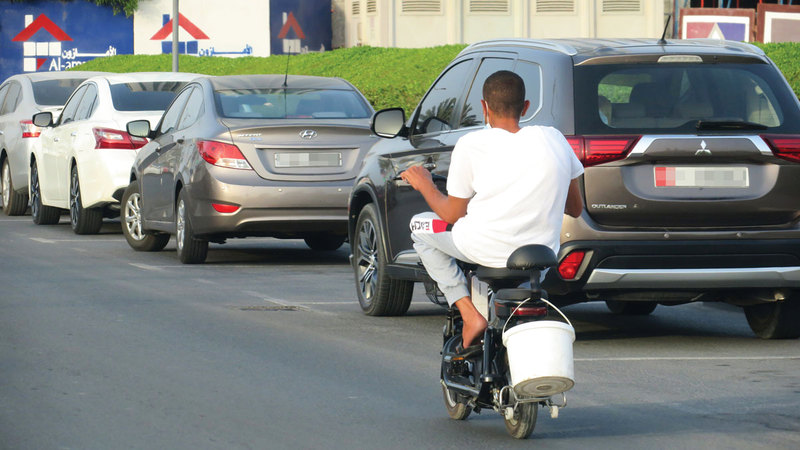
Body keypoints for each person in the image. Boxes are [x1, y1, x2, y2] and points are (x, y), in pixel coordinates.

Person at [401, 70, 584, 351]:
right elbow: (574, 207)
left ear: (484, 108)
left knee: (419, 225)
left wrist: (425, 184)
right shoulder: (554, 138)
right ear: (526, 107)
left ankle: (468, 312)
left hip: (482, 250)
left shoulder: (472, 144)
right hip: (539, 258)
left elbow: (451, 214)